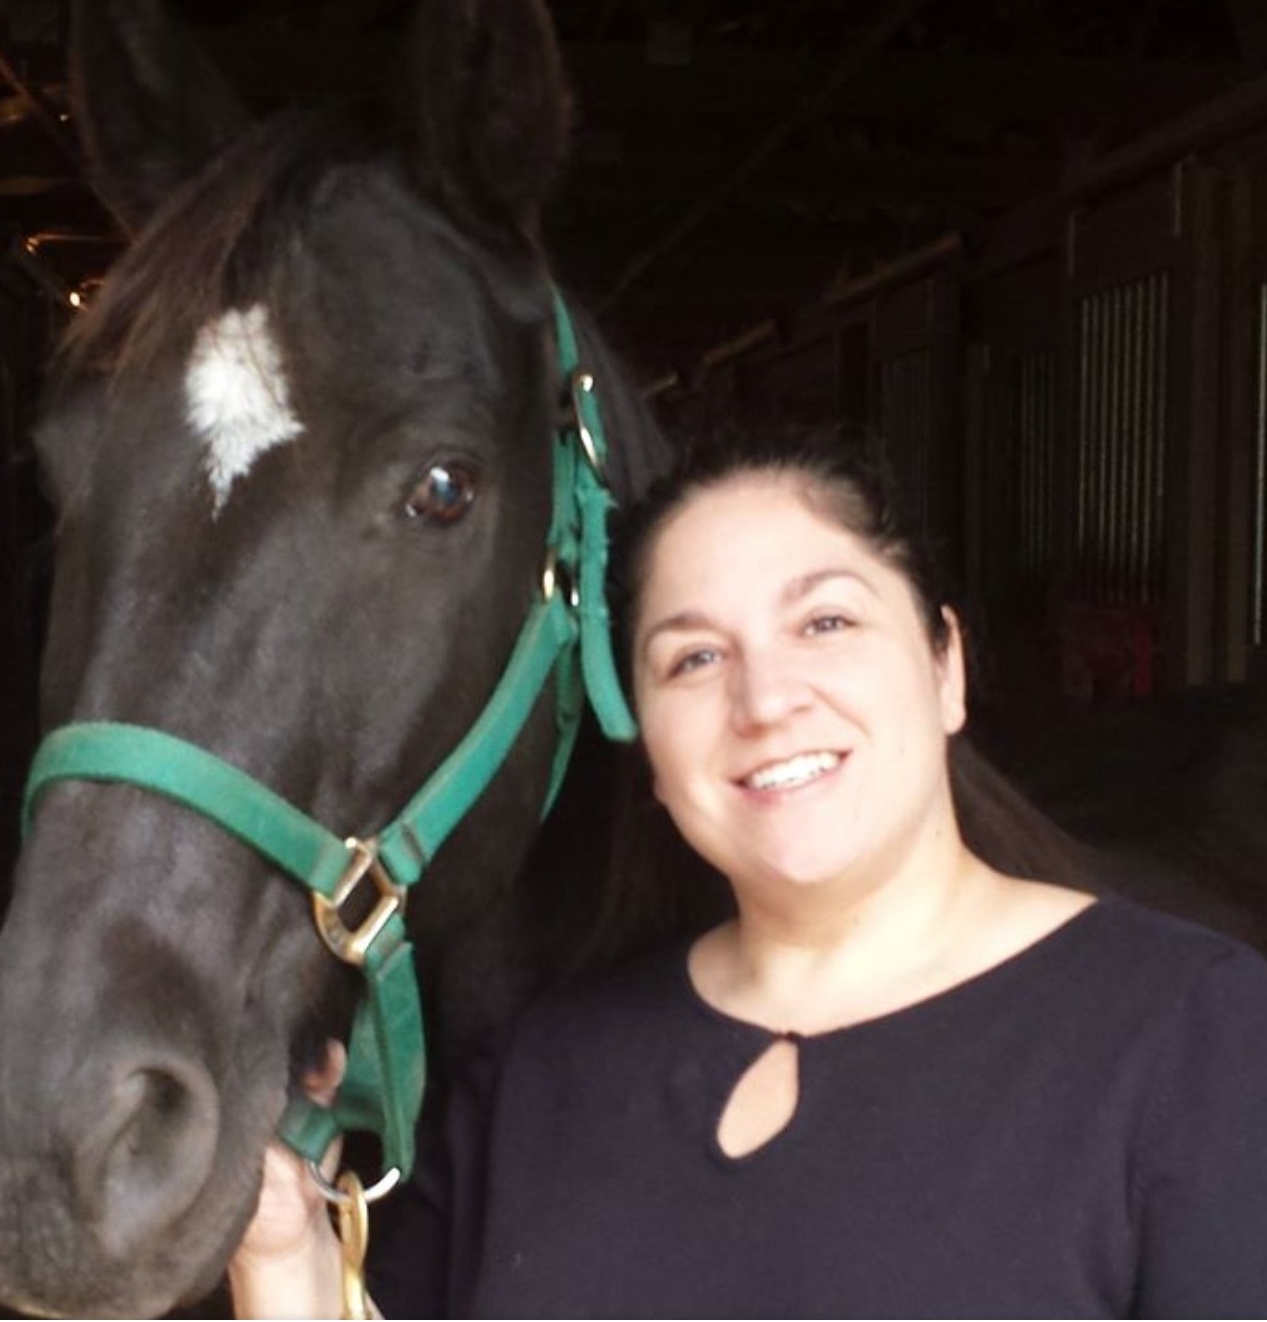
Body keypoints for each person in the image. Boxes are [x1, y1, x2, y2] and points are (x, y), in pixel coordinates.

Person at [230, 424, 1267, 1319]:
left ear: (945, 665)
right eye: (693, 658)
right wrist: (284, 1260)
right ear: (647, 754)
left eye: (825, 621)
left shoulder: (1190, 1036)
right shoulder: (537, 1077)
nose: (765, 698)